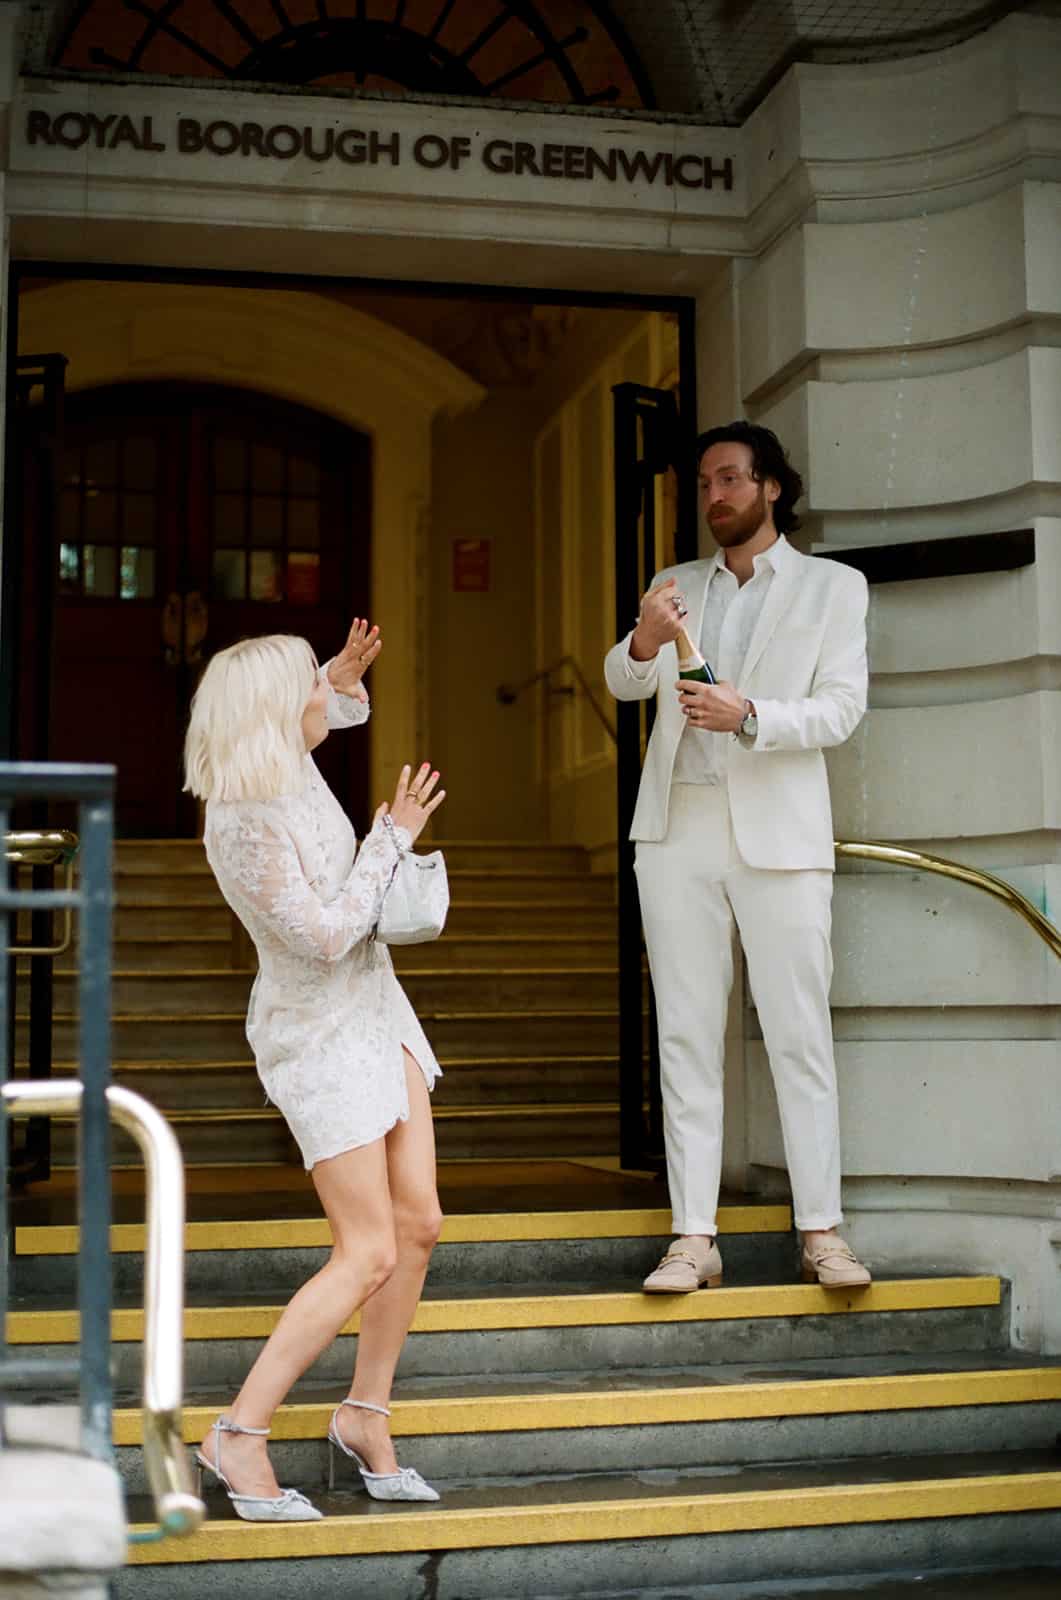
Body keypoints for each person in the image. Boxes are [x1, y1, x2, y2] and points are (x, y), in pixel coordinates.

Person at [183, 619, 446, 1520]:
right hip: (317, 1030)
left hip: (381, 1013)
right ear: (268, 708)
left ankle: (364, 1416)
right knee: (365, 1246)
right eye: (307, 683)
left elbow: (327, 711)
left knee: (417, 1225)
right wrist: (392, 839)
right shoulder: (241, 816)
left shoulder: (290, 765)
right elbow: (327, 936)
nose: (322, 697)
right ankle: (238, 1434)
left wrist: (335, 676)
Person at [604, 421, 872, 1295]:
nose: (713, 496)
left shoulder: (833, 587)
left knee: (799, 1038)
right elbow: (624, 678)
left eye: (729, 479)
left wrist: (749, 714)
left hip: (780, 837)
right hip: (676, 832)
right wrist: (644, 639)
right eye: (704, 483)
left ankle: (822, 1234)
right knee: (684, 1038)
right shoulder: (673, 582)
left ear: (771, 489)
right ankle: (692, 1238)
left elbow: (839, 711)